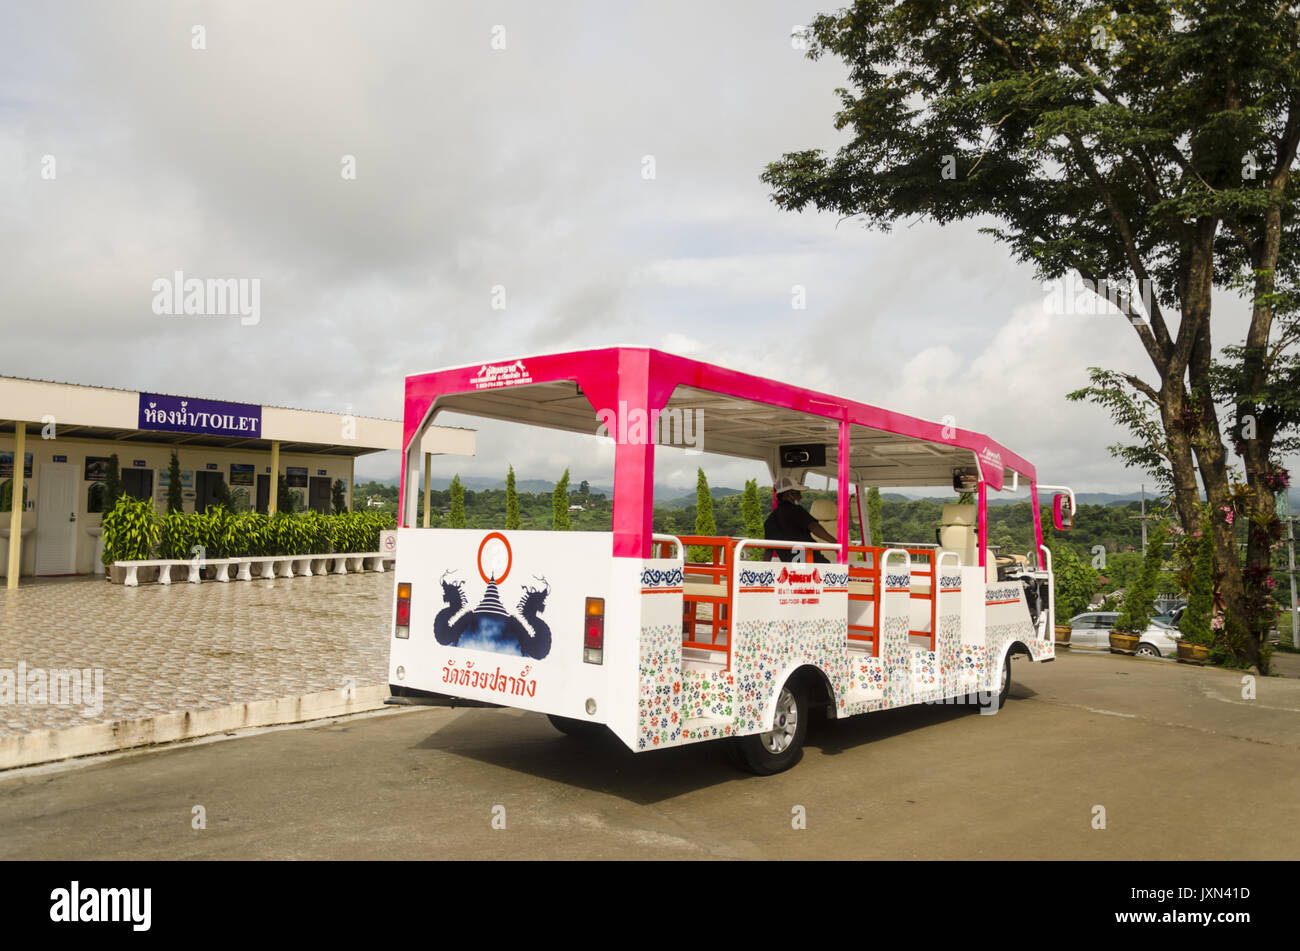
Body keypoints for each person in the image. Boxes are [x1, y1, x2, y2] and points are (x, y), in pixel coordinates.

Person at [763, 476, 836, 562]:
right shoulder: (796, 510)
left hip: (790, 568)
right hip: (811, 562)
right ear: (789, 494)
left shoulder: (769, 521)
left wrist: (763, 571)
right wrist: (835, 543)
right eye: (798, 493)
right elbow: (814, 527)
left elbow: (768, 550)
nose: (801, 497)